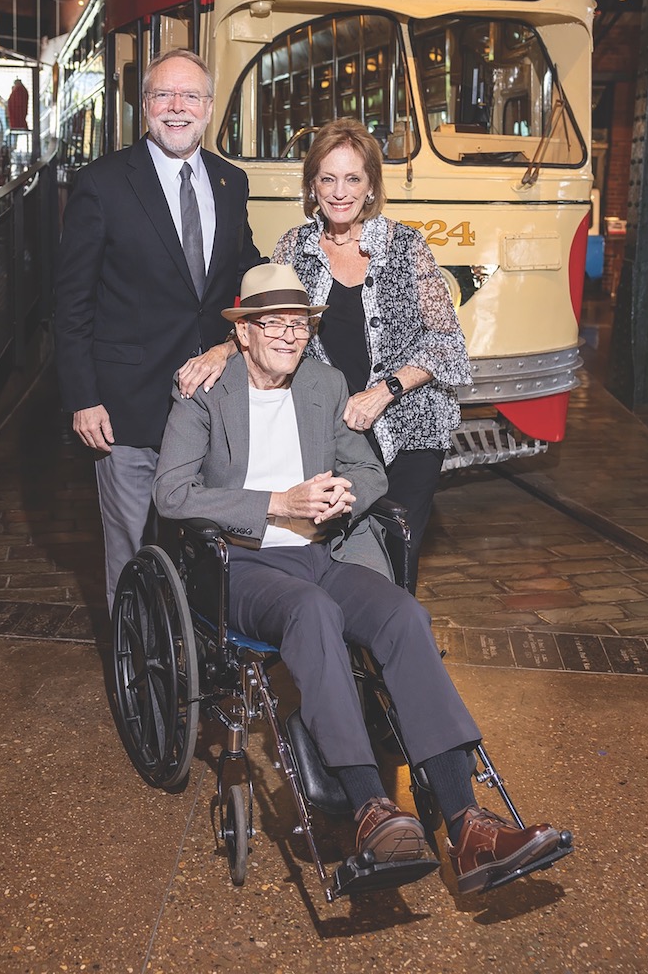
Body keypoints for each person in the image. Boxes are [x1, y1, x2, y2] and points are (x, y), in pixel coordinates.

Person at [154, 264, 561, 893]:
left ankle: (469, 826)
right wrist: (275, 503)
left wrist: (345, 492)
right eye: (274, 324)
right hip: (243, 564)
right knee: (311, 612)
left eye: (299, 323)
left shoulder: (322, 382)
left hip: (325, 553)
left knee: (403, 615)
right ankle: (371, 807)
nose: (289, 336)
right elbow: (172, 493)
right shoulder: (207, 392)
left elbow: (369, 470)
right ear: (245, 332)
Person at [54, 49, 262, 613]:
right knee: (130, 550)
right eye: (163, 96)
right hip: (127, 408)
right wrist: (84, 398)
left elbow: (243, 268)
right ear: (144, 106)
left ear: (210, 108)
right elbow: (71, 303)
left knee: (207, 542)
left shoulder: (230, 181)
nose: (177, 108)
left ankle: (192, 658)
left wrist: (297, 278)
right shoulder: (101, 184)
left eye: (190, 96)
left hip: (210, 402)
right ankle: (138, 675)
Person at [271, 118, 472, 595]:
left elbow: (449, 343)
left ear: (370, 187)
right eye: (328, 178)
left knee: (397, 544)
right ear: (312, 185)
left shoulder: (406, 248)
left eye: (353, 178)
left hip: (410, 426)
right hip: (334, 432)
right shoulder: (292, 250)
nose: (340, 192)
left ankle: (392, 650)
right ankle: (348, 652)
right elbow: (272, 336)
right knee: (339, 548)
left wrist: (385, 392)